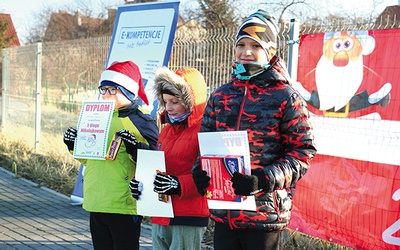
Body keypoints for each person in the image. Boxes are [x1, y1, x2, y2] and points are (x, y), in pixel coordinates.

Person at [191, 9, 317, 250]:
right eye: (241, 44)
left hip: (264, 216)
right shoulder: (221, 95)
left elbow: (303, 152)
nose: (246, 52)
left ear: (269, 51)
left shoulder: (286, 97)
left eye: (255, 46)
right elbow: (204, 145)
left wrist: (263, 179)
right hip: (225, 212)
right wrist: (200, 172)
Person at [63, 60, 159, 250]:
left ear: (129, 91)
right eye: (103, 89)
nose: (106, 95)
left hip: (123, 203)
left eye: (112, 90)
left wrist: (134, 148)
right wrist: (74, 145)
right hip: (96, 200)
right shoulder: (97, 116)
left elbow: (156, 161)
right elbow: (89, 158)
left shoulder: (142, 120)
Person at [132, 66, 210, 250]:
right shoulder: (166, 130)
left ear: (191, 101)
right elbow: (159, 167)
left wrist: (178, 184)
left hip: (187, 216)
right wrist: (140, 183)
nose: (168, 108)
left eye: (174, 101)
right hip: (160, 213)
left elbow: (209, 175)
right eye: (165, 101)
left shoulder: (204, 130)